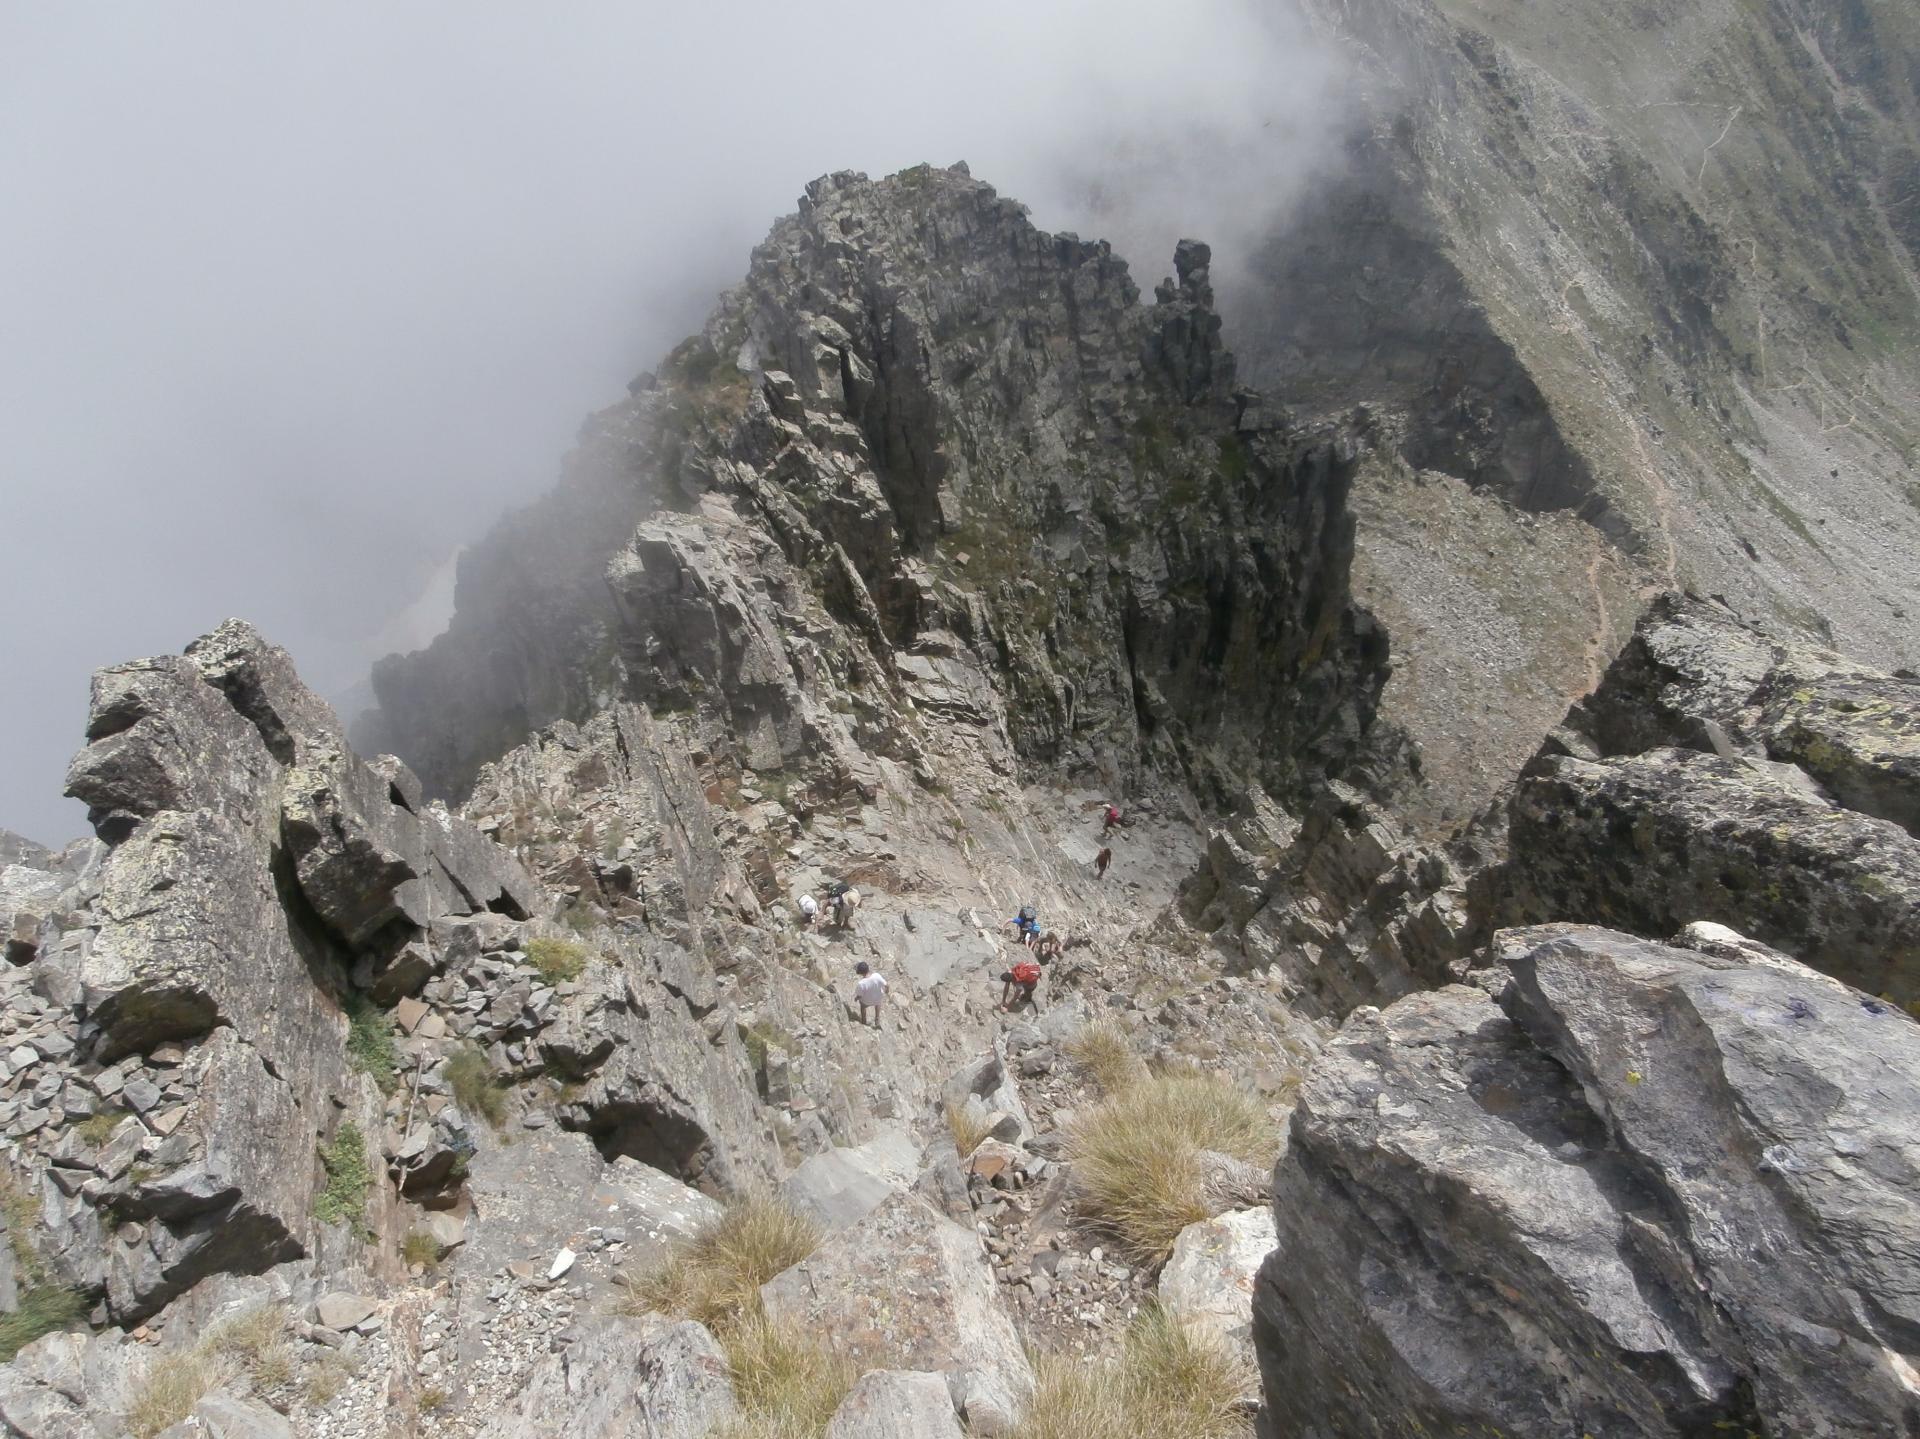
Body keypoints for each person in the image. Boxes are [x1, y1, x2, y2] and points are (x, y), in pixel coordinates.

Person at [853, 960, 888, 1028]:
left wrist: (856, 998)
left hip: (866, 1002)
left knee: (862, 1006)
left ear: (860, 973)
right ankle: (877, 1018)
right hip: (877, 999)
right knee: (878, 1003)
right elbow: (887, 985)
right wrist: (887, 991)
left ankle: (864, 1021)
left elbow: (860, 996)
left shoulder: (861, 983)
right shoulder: (877, 976)